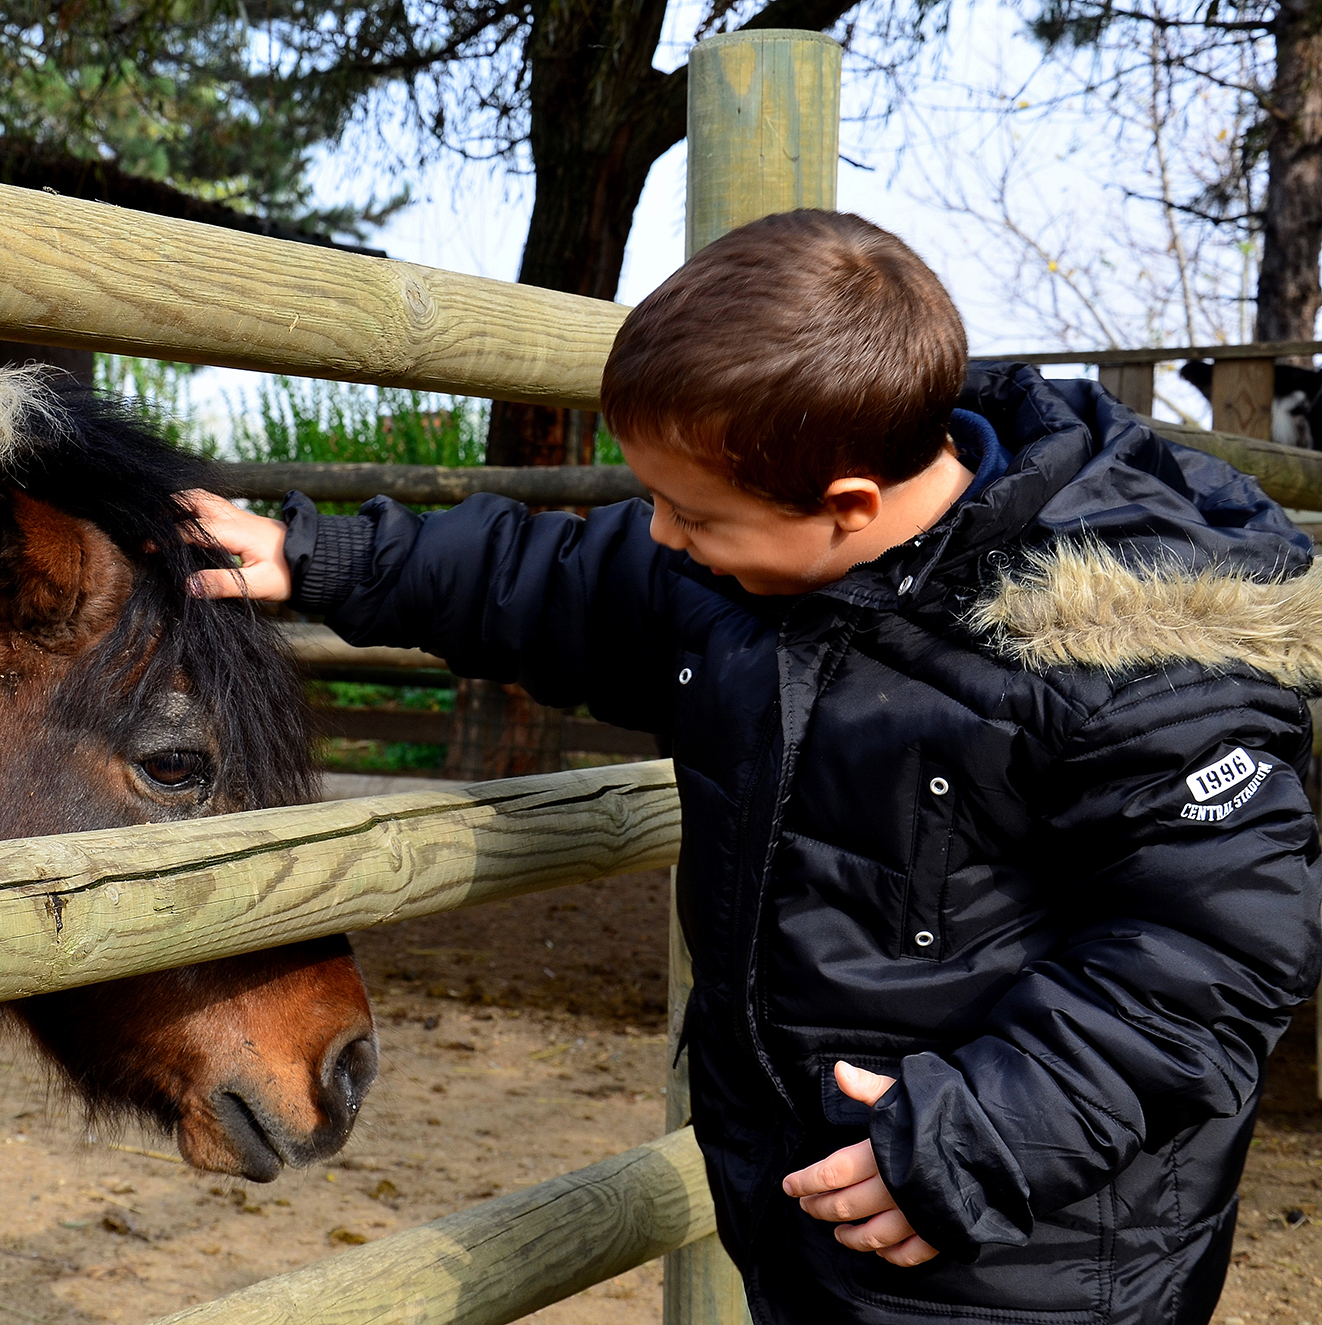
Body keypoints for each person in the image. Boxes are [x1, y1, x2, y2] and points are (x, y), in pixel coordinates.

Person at [182, 210, 1322, 1325]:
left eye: (688, 513)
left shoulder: (1128, 655)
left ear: (846, 506)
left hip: (1024, 1242)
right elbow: (551, 574)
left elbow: (1216, 948)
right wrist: (315, 555)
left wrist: (976, 1139)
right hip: (810, 1197)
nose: (660, 534)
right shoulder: (750, 560)